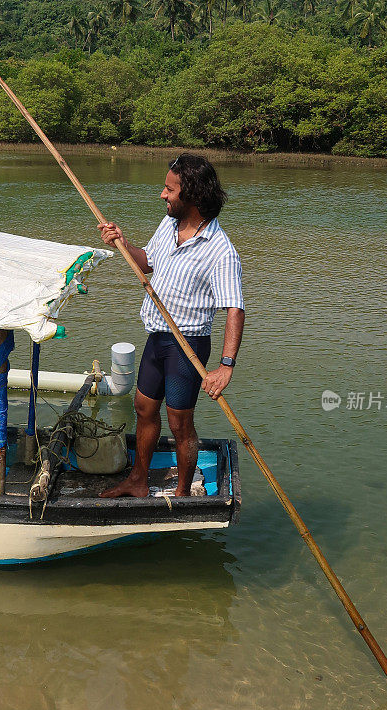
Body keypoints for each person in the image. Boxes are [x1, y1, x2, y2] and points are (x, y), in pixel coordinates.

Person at [98, 153, 245, 498]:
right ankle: (138, 480)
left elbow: (235, 309)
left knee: (180, 423)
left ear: (191, 195)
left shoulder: (221, 251)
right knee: (143, 408)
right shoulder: (169, 224)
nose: (162, 194)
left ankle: (181, 494)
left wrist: (225, 367)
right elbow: (147, 261)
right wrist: (121, 242)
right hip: (157, 338)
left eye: (169, 189)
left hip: (188, 346)